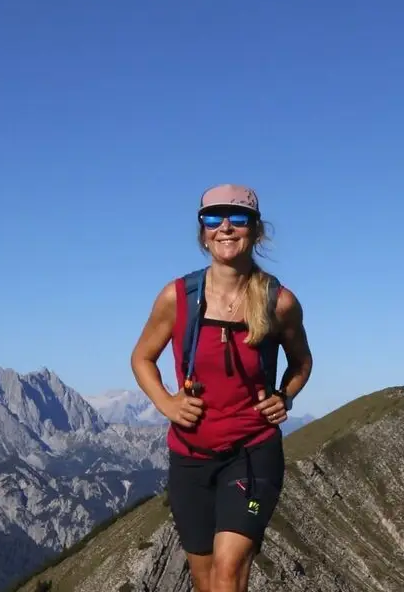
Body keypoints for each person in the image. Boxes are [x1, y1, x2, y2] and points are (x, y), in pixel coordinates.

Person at [129, 183, 312, 592]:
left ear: (256, 229)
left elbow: (302, 362)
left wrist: (285, 396)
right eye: (213, 218)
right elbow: (142, 357)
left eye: (237, 217)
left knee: (229, 570)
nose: (225, 228)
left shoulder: (279, 302)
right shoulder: (177, 297)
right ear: (202, 231)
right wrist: (167, 404)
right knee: (205, 578)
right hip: (190, 456)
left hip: (252, 452)